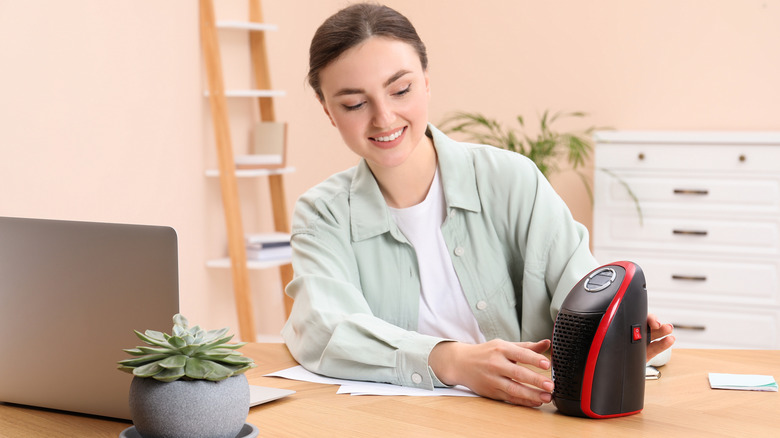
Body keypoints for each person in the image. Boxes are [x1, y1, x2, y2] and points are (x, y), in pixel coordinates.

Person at [282, 2, 674, 407]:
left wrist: (612, 334)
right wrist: (452, 360)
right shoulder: (322, 214)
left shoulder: (510, 180)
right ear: (328, 110)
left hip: (522, 417)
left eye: (401, 90)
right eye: (353, 104)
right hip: (394, 422)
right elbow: (324, 329)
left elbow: (579, 288)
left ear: (427, 82)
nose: (384, 118)